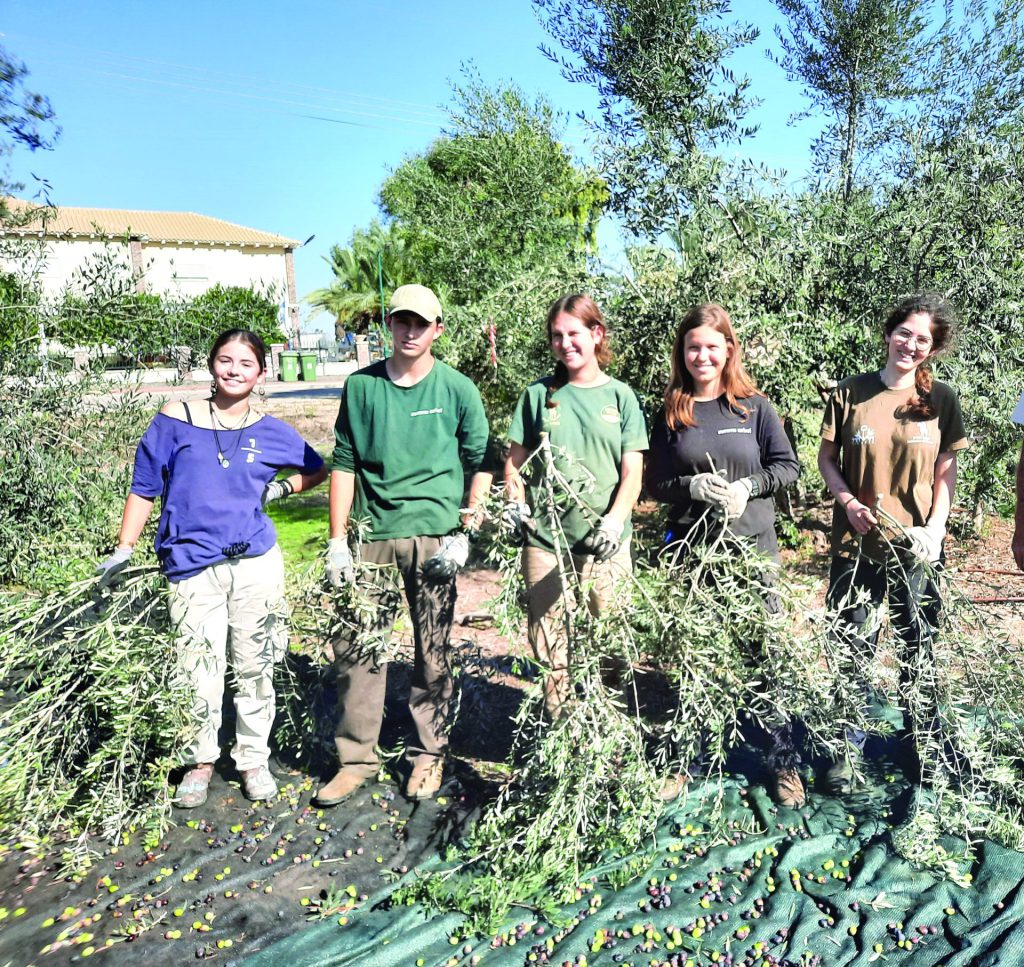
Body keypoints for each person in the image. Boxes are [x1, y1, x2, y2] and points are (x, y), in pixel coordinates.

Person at [96, 329, 328, 808]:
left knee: (255, 663)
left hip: (255, 565)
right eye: (225, 360)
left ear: (260, 373)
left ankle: (252, 760)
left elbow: (317, 467)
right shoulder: (174, 419)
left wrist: (281, 490)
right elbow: (143, 487)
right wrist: (124, 547)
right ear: (211, 365)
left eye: (245, 363)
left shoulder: (269, 429)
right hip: (191, 565)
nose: (234, 370)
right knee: (196, 667)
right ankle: (199, 762)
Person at [317, 284, 491, 806]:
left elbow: (480, 460)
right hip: (372, 535)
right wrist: (336, 543)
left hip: (434, 537)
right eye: (401, 321)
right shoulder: (362, 387)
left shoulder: (457, 389)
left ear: (438, 329)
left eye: (422, 323)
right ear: (388, 325)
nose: (411, 331)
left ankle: (428, 756)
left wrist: (465, 531)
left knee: (432, 650)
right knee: (358, 650)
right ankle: (356, 760)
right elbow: (344, 462)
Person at [645, 303, 803, 807]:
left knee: (767, 658)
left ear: (728, 350)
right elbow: (654, 484)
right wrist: (691, 485)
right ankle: (683, 761)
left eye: (712, 346)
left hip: (753, 553)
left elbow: (789, 467)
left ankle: (783, 765)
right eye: (694, 346)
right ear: (683, 352)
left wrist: (750, 486)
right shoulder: (673, 409)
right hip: (694, 557)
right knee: (693, 657)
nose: (702, 355)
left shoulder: (754, 407)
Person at [817, 293, 968, 793]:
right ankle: (847, 752)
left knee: (918, 649)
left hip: (916, 548)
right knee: (852, 647)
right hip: (857, 545)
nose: (911, 343)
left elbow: (946, 472)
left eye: (922, 338)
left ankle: (920, 743)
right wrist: (847, 503)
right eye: (904, 332)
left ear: (931, 348)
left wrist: (936, 529)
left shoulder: (941, 400)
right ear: (888, 334)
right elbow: (827, 460)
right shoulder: (849, 393)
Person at [503, 293, 647, 720]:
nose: (565, 344)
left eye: (574, 334)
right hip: (547, 541)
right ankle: (565, 736)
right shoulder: (537, 397)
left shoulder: (621, 398)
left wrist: (613, 523)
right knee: (550, 646)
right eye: (556, 337)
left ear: (596, 334)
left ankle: (612, 731)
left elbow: (632, 475)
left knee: (612, 643)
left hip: (607, 544)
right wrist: (516, 505)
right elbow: (514, 466)